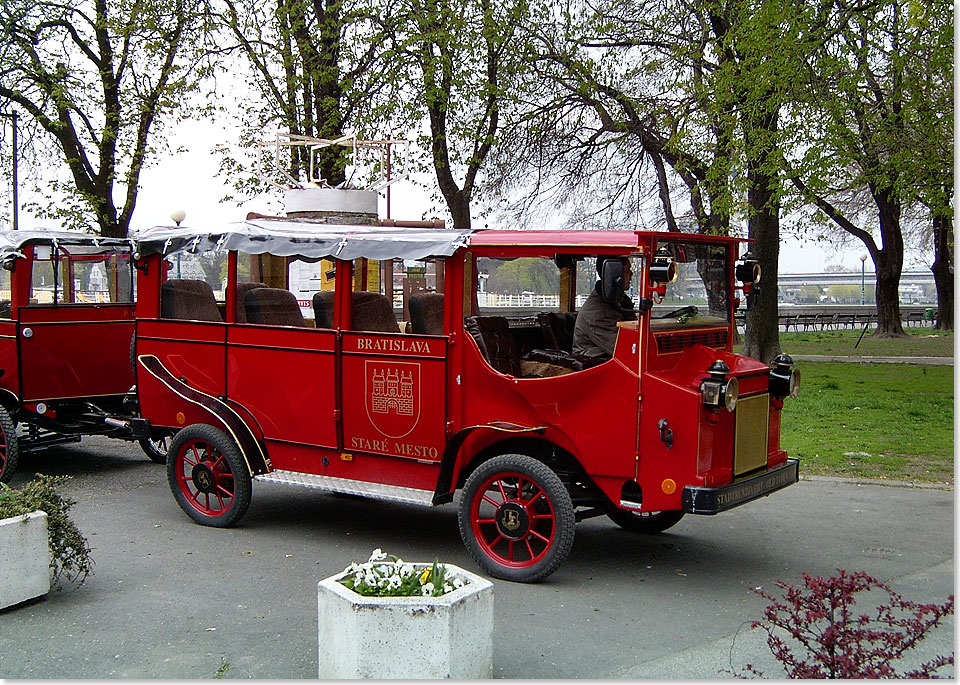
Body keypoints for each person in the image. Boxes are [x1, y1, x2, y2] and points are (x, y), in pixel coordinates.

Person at [572, 256, 637, 359]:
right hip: (595, 365)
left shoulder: (618, 302)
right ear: (614, 274)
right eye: (627, 270)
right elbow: (627, 350)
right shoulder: (598, 314)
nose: (631, 274)